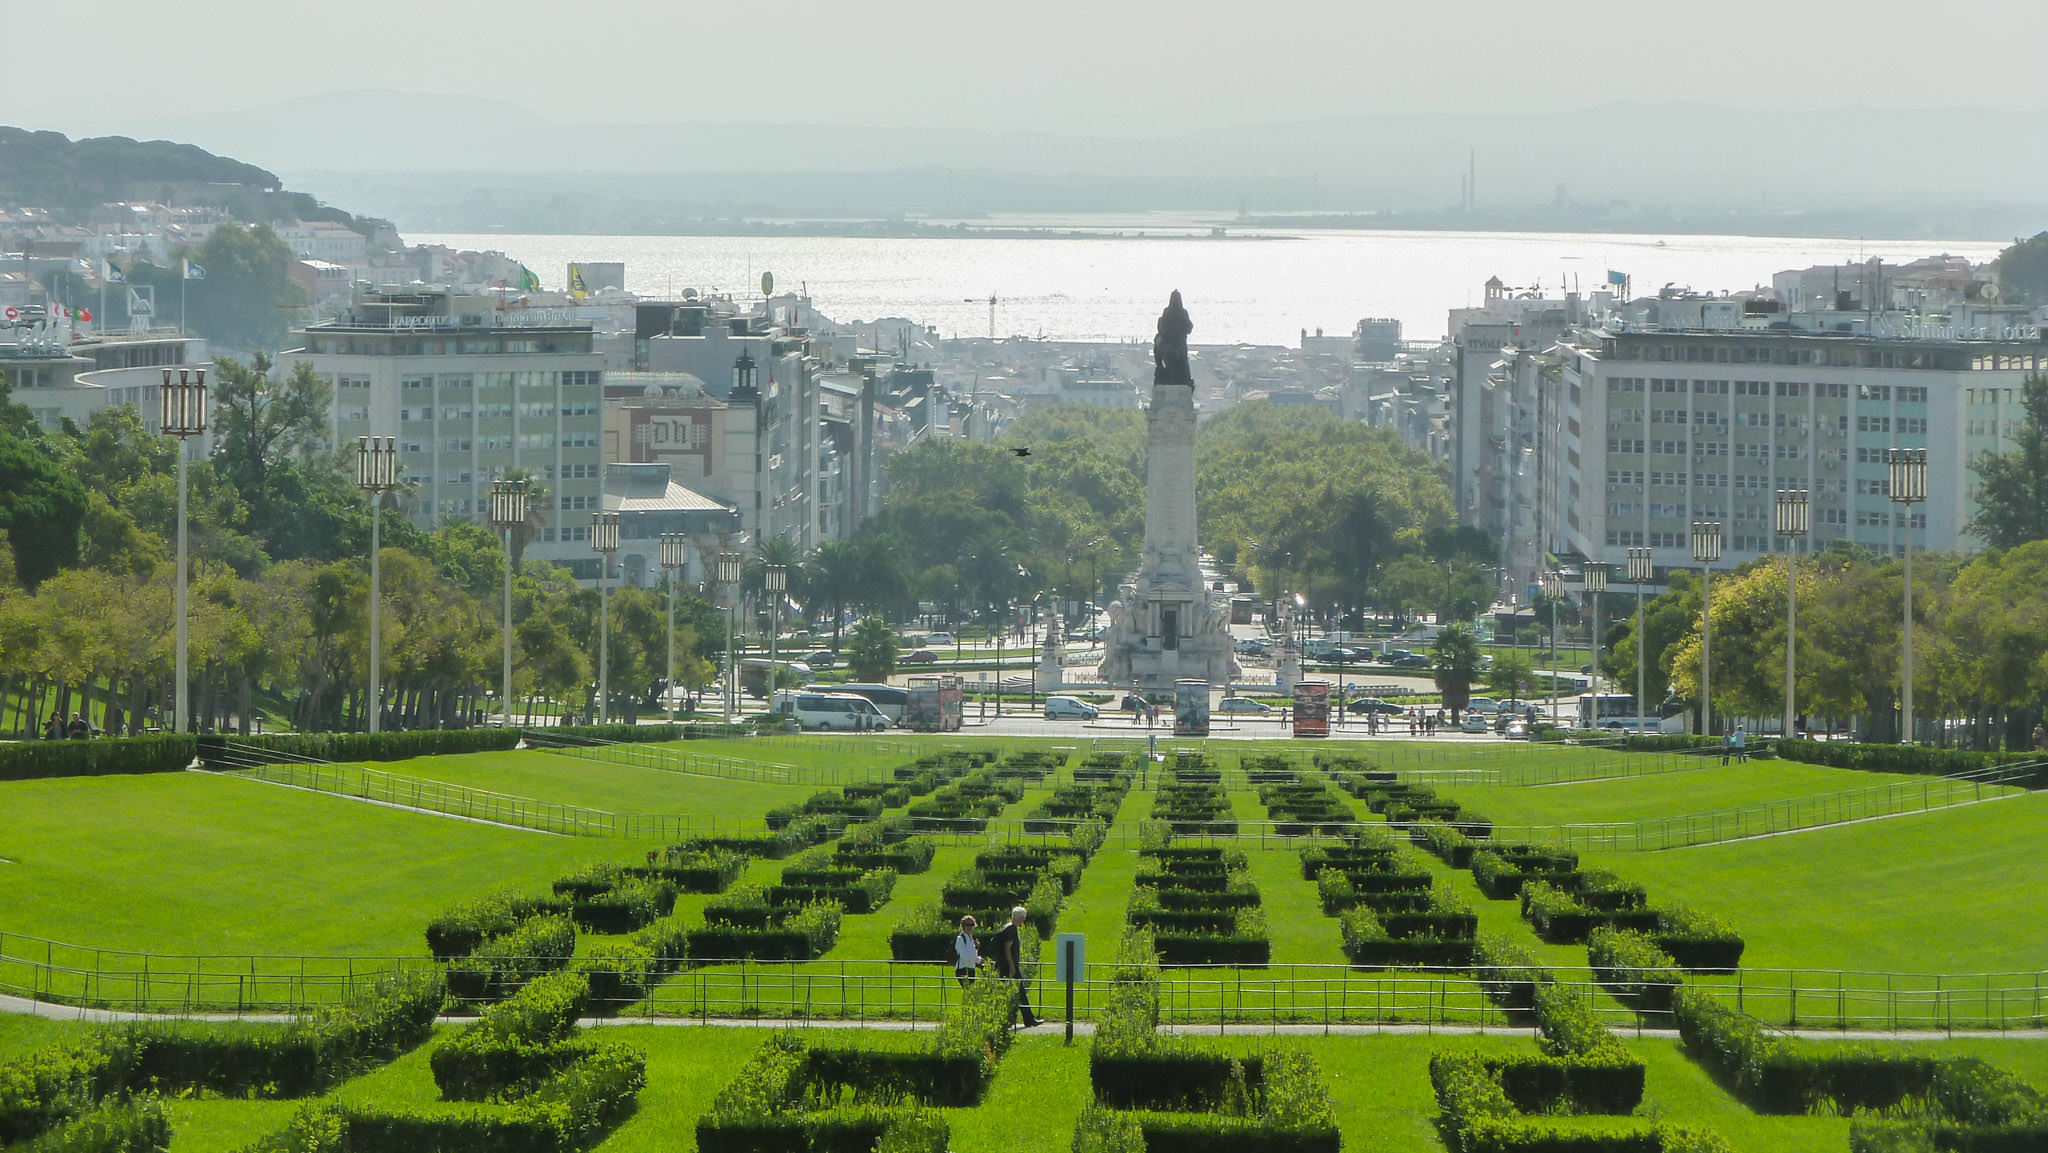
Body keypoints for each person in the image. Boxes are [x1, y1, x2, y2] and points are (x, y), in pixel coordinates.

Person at [990, 905, 1041, 1027]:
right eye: (1023, 918)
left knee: (1017, 992)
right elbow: (1007, 948)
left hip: (1005, 966)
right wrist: (1012, 966)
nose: (1023, 921)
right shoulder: (1012, 929)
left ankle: (1027, 1018)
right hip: (1009, 967)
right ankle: (1028, 1019)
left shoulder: (1006, 927)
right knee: (1019, 992)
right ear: (1019, 918)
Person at [953, 915, 980, 986]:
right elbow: (965, 957)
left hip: (972, 969)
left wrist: (977, 948)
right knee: (968, 991)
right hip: (962, 969)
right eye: (967, 925)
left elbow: (973, 955)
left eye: (972, 925)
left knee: (970, 992)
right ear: (963, 926)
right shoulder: (960, 939)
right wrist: (979, 959)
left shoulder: (972, 939)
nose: (970, 927)